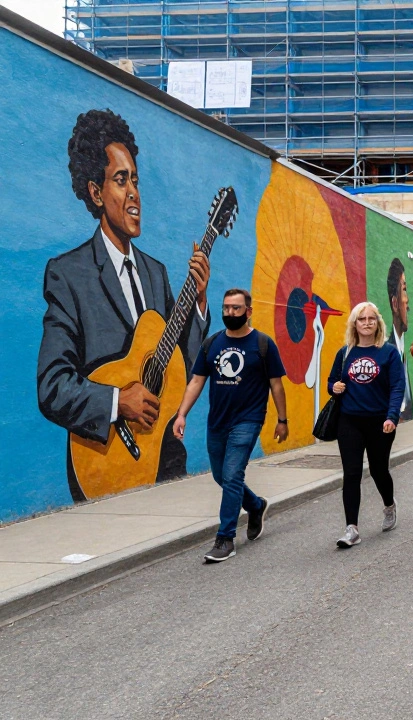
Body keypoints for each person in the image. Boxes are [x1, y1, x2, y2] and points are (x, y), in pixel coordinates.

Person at [38, 109, 211, 499]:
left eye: (135, 179)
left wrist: (199, 303)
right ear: (96, 193)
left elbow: (183, 363)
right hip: (105, 459)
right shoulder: (69, 274)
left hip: (164, 454)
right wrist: (118, 401)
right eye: (120, 180)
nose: (134, 192)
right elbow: (52, 386)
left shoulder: (156, 273)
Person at [172, 289, 287, 564]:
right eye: (226, 308)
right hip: (218, 422)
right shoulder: (212, 343)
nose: (230, 313)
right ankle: (256, 506)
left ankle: (225, 538)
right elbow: (197, 381)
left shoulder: (263, 344)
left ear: (248, 311)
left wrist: (282, 420)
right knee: (221, 476)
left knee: (233, 475)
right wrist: (181, 414)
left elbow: (276, 385)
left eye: (236, 309)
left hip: (248, 420)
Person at [327, 302, 406, 549]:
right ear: (355, 324)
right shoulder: (345, 353)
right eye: (362, 319)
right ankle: (352, 528)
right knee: (351, 473)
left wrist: (392, 417)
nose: (367, 323)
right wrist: (334, 387)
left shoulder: (389, 352)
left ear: (378, 323)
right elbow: (332, 381)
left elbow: (397, 386)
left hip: (379, 421)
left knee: (378, 469)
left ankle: (389, 505)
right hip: (349, 420)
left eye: (372, 318)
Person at [386, 259, 413, 422]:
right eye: (404, 290)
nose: (408, 300)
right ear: (395, 303)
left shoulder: (403, 349)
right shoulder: (388, 350)